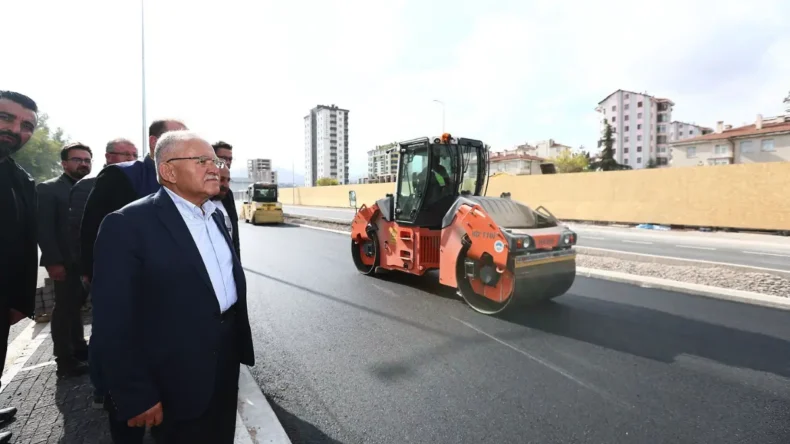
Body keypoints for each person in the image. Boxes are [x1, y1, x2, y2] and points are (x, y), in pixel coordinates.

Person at [91, 130, 254, 443]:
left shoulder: (217, 216)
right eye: (202, 160)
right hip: (174, 377)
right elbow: (113, 320)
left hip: (224, 363)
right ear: (168, 170)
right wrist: (135, 392)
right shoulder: (127, 224)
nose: (215, 168)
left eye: (216, 161)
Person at [66, 138, 138, 408]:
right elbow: (81, 230)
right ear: (109, 157)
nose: (131, 158)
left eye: (134, 153)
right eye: (124, 154)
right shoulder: (88, 186)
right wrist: (87, 268)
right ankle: (102, 386)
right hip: (102, 270)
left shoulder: (135, 182)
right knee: (105, 330)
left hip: (129, 269)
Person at [80, 119, 186, 283]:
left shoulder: (188, 179)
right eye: (178, 137)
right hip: (129, 278)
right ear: (154, 141)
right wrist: (90, 270)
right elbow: (93, 225)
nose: (186, 143)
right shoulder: (121, 175)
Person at [0, 90, 40, 444]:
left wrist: (19, 301)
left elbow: (26, 246)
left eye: (26, 125)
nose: (15, 129)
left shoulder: (20, 178)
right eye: (6, 118)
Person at [36, 142, 94, 378]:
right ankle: (65, 360)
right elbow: (44, 229)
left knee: (75, 308)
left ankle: (79, 349)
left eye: (87, 160)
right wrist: (53, 262)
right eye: (77, 159)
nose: (83, 164)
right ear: (64, 163)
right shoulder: (49, 189)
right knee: (64, 310)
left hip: (84, 260)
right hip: (64, 262)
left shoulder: (91, 187)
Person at [211, 141, 240, 259]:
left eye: (230, 159)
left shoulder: (228, 195)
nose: (227, 162)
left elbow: (235, 238)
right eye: (223, 158)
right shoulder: (198, 195)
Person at [211, 166, 234, 242]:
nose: (226, 185)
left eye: (228, 180)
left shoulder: (228, 200)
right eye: (221, 179)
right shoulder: (200, 206)